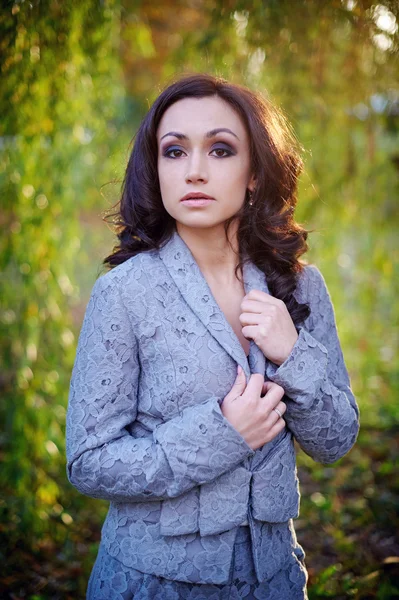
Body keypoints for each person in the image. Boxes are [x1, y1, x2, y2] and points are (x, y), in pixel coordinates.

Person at [66, 73, 360, 599]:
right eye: (174, 152)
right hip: (155, 584)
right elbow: (89, 462)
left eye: (221, 150)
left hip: (274, 582)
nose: (195, 171)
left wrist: (293, 353)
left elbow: (336, 440)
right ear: (155, 170)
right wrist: (223, 432)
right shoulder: (124, 294)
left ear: (254, 173)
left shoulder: (299, 285)